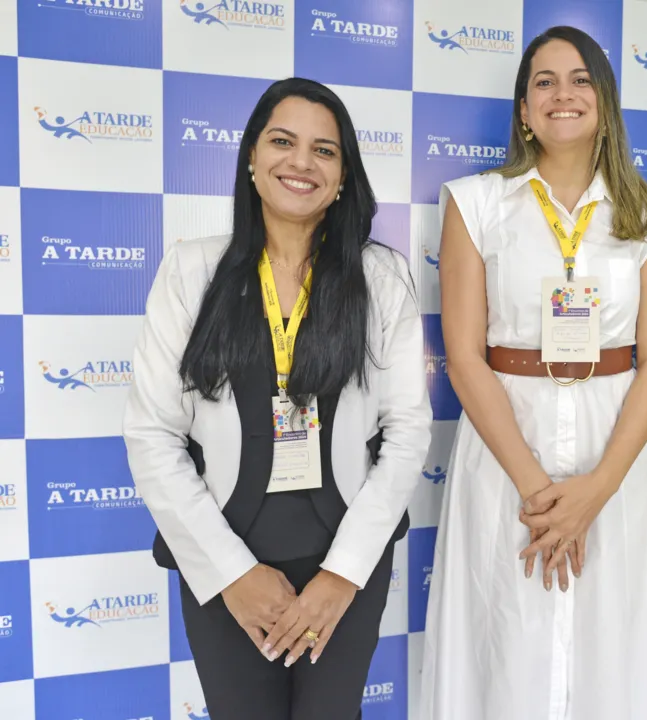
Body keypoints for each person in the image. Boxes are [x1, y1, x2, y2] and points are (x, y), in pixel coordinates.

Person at [122, 77, 431, 720]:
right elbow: (153, 434)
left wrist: (343, 575)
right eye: (283, 141)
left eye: (325, 150)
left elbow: (407, 435)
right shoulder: (190, 271)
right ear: (251, 160)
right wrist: (233, 574)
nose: (301, 162)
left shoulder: (382, 277)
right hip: (223, 559)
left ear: (344, 175)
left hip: (345, 560)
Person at [418, 25, 647, 719]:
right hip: (508, 452)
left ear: (605, 103)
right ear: (524, 112)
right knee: (508, 638)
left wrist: (596, 490)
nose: (563, 94)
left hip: (614, 454)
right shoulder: (475, 204)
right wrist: (539, 490)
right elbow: (465, 355)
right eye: (544, 82)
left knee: (611, 642)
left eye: (580, 79)